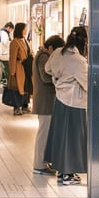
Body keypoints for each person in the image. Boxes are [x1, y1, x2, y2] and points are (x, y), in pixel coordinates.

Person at [44, 26, 89, 186]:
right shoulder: (78, 61)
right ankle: (68, 173)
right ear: (84, 42)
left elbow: (47, 69)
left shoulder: (57, 53)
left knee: (60, 136)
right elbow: (88, 84)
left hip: (60, 99)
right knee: (73, 138)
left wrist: (61, 78)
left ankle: (62, 172)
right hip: (74, 103)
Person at [32, 35, 66, 175]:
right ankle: (39, 165)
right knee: (44, 133)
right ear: (51, 47)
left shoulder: (43, 55)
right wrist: (59, 76)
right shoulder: (44, 56)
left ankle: (43, 162)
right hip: (45, 100)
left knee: (46, 132)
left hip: (46, 99)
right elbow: (45, 76)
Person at [7, 22, 33, 116]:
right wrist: (12, 71)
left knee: (26, 86)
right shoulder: (15, 42)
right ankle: (17, 107)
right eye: (25, 28)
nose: (26, 30)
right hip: (19, 68)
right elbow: (12, 57)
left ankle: (25, 106)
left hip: (27, 68)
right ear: (20, 30)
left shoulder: (25, 41)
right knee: (18, 87)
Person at [0, 22, 14, 87]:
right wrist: (11, 42)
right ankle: (5, 84)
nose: (11, 31)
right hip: (4, 54)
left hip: (2, 53)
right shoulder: (4, 33)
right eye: (11, 29)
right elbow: (6, 43)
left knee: (3, 70)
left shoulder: (1, 32)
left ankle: (3, 83)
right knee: (6, 70)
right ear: (8, 27)